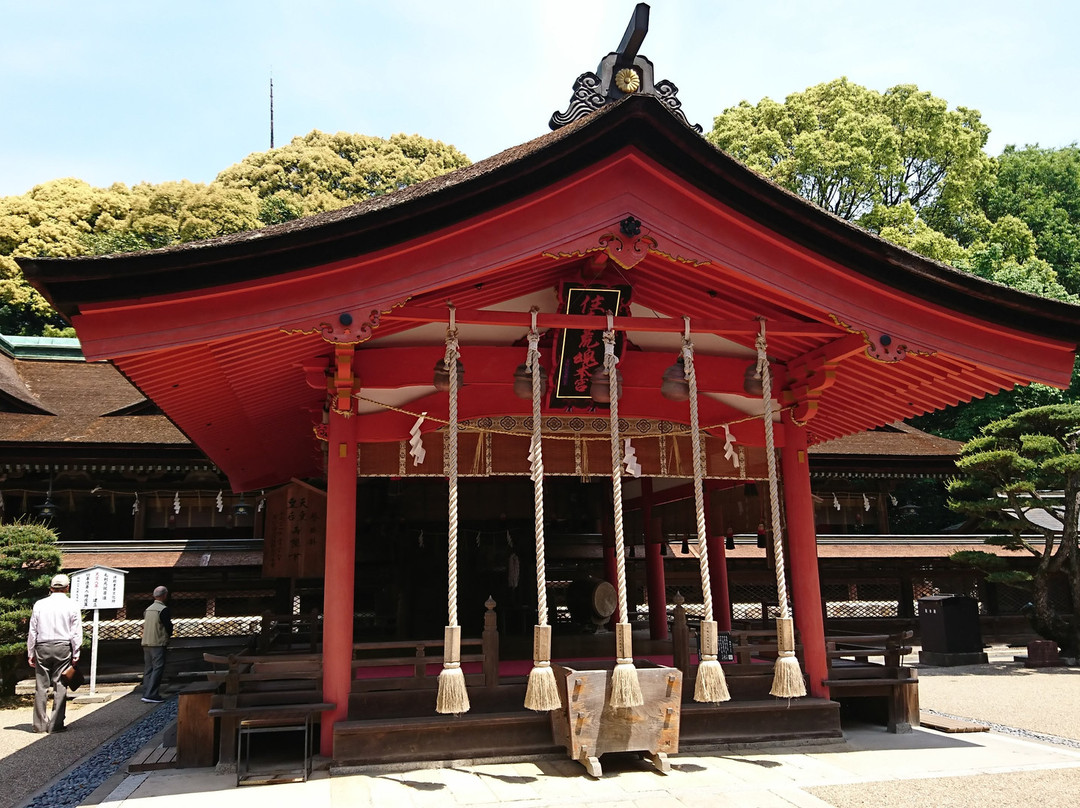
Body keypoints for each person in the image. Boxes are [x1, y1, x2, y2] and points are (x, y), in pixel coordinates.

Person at [27, 573, 83, 733]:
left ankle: (39, 724)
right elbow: (75, 631)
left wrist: (30, 651)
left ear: (51, 588)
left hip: (42, 645)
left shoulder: (39, 604)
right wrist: (76, 651)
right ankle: (56, 724)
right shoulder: (72, 604)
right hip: (63, 646)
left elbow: (33, 630)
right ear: (67, 587)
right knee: (60, 684)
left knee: (41, 686)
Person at [141, 585, 172, 703]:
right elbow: (168, 626)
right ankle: (152, 694)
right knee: (158, 668)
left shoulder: (148, 609)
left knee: (148, 669)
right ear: (164, 595)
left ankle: (146, 692)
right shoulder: (163, 609)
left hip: (146, 642)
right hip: (158, 642)